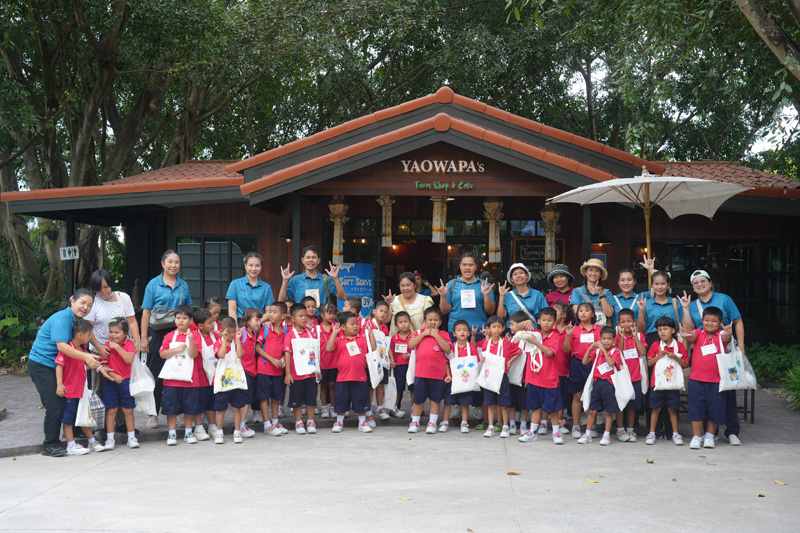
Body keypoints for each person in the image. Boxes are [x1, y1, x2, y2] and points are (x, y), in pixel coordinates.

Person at [27, 288, 104, 457]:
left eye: (90, 305)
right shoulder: (62, 318)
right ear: (72, 301)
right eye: (82, 303)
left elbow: (87, 333)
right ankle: (50, 445)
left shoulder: (78, 319)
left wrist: (97, 347)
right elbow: (62, 347)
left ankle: (73, 434)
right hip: (42, 364)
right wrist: (86, 356)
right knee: (55, 404)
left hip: (59, 365)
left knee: (69, 400)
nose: (85, 307)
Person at [679, 269, 745, 446]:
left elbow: (737, 321)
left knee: (727, 391)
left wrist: (742, 347)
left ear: (710, 282)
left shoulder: (724, 299)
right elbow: (689, 328)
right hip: (703, 351)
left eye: (703, 281)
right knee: (706, 396)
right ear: (693, 287)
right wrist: (685, 309)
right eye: (696, 282)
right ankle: (711, 432)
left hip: (725, 348)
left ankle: (731, 431)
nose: (700, 284)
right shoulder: (692, 304)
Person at [140, 250, 193, 429]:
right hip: (158, 334)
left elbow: (189, 310)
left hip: (179, 333)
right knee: (155, 376)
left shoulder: (183, 285)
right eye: (170, 262)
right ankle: (153, 414)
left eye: (176, 262)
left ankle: (178, 412)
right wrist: (143, 338)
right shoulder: (153, 284)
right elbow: (146, 311)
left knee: (179, 373)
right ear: (163, 263)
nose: (173, 265)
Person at [85, 269, 140, 416]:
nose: (103, 291)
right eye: (98, 288)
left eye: (106, 287)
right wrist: (99, 347)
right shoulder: (92, 303)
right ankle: (101, 426)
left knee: (123, 384)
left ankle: (122, 423)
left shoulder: (123, 298)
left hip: (122, 349)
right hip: (100, 351)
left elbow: (132, 321)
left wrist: (136, 342)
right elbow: (88, 329)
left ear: (111, 284)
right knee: (100, 388)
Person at [681, 307, 734, 450]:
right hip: (696, 379)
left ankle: (710, 436)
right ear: (702, 321)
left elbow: (726, 337)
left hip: (716, 381)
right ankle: (696, 437)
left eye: (714, 321)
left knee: (714, 409)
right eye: (707, 320)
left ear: (720, 322)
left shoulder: (721, 335)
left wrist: (729, 333)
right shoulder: (699, 332)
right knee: (696, 409)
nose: (710, 323)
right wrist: (686, 335)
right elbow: (691, 337)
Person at [55, 319, 106, 455]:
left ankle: (91, 441)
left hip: (82, 390)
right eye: (89, 335)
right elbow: (59, 366)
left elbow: (82, 367)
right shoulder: (67, 348)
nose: (90, 338)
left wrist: (96, 365)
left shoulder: (83, 349)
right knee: (68, 419)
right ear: (80, 335)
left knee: (85, 416)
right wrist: (60, 384)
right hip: (70, 390)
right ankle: (70, 445)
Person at [518, 307, 565, 445]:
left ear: (554, 322)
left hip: (549, 380)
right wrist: (528, 322)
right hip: (534, 378)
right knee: (535, 407)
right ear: (538, 321)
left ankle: (556, 432)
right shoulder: (535, 333)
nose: (546, 323)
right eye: (543, 320)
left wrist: (536, 343)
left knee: (553, 409)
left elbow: (550, 352)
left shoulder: (554, 336)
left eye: (549, 320)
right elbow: (516, 328)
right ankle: (532, 432)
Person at [326, 312, 377, 433]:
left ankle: (362, 422)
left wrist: (370, 333)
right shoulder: (338, 340)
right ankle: (339, 421)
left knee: (361, 400)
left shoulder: (362, 340)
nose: (355, 326)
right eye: (352, 324)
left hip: (360, 377)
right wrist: (334, 333)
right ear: (343, 327)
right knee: (341, 400)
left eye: (356, 324)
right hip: (343, 377)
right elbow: (329, 348)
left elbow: (373, 348)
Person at [159, 304, 200, 446]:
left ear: (190, 320)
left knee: (190, 407)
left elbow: (194, 354)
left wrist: (190, 340)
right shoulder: (169, 336)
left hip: (190, 379)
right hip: (171, 379)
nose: (181, 321)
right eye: (178, 318)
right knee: (171, 408)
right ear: (174, 319)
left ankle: (189, 432)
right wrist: (176, 349)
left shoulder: (195, 335)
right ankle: (172, 433)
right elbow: (163, 354)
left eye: (184, 318)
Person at [644, 316, 689, 446]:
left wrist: (674, 356)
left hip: (673, 385)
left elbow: (685, 363)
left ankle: (675, 433)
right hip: (657, 384)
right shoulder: (655, 345)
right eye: (659, 330)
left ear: (673, 331)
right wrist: (659, 355)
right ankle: (652, 432)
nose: (662, 332)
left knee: (673, 409)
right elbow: (649, 362)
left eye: (665, 329)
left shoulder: (678, 345)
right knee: (655, 409)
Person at [407, 307, 452, 434]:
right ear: (424, 321)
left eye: (436, 320)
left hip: (437, 375)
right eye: (430, 320)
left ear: (440, 322)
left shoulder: (443, 334)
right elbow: (410, 345)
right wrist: (423, 334)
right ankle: (415, 422)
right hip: (421, 373)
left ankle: (432, 422)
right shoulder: (418, 333)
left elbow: (447, 348)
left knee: (435, 399)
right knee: (418, 399)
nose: (433, 322)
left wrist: (436, 335)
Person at [578, 326, 624, 445]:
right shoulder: (597, 351)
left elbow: (611, 363)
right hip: (597, 383)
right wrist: (589, 349)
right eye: (603, 339)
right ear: (600, 339)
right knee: (592, 410)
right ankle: (587, 434)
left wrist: (604, 350)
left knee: (608, 412)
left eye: (609, 339)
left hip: (609, 384)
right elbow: (584, 361)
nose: (606, 341)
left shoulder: (616, 352)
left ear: (614, 341)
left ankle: (606, 435)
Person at [479, 315, 522, 439]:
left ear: (503, 328)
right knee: (490, 403)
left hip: (502, 376)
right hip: (489, 377)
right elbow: (484, 360)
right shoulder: (486, 344)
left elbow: (519, 351)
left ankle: (505, 426)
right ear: (488, 329)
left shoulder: (507, 344)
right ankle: (491, 427)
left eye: (499, 327)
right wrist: (482, 360)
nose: (496, 330)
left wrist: (510, 361)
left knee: (503, 403)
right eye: (493, 327)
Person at [563, 302, 602, 439]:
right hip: (577, 364)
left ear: (593, 314)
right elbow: (567, 349)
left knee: (594, 395)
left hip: (595, 364)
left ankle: (592, 426)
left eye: (587, 310)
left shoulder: (599, 330)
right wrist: (568, 335)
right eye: (580, 311)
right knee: (577, 396)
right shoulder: (574, 329)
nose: (583, 313)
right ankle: (576, 426)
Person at [437, 252, 496, 338]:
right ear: (459, 266)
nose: (467, 268)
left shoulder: (484, 285)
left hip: (479, 331)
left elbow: (490, 311)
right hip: (456, 331)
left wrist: (486, 295)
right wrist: (442, 296)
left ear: (476, 267)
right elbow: (444, 311)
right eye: (464, 265)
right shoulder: (451, 284)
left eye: (471, 265)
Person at [101, 317, 138, 450]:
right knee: (111, 410)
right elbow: (103, 366)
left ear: (125, 333)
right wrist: (113, 376)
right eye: (111, 332)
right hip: (110, 381)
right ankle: (110, 438)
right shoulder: (106, 345)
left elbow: (129, 359)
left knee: (128, 410)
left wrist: (116, 347)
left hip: (126, 381)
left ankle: (131, 437)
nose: (113, 335)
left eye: (117, 332)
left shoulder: (129, 344)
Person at [283, 303, 319, 434]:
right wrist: (288, 373)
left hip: (310, 373)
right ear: (292, 318)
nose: (304, 318)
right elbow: (287, 354)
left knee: (311, 399)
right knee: (297, 399)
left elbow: (315, 352)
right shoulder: (290, 335)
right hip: (296, 374)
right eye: (300, 316)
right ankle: (298, 422)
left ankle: (310, 421)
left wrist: (318, 370)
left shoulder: (310, 334)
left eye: (305, 316)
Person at [614, 309, 647, 443]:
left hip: (635, 377)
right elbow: (619, 352)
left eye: (629, 321)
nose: (626, 324)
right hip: (622, 378)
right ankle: (620, 429)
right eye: (623, 322)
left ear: (634, 322)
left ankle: (631, 429)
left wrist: (635, 337)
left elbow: (643, 352)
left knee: (632, 406)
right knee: (621, 405)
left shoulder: (639, 336)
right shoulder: (616, 337)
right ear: (618, 324)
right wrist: (621, 337)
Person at [255, 302, 288, 436]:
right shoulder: (265, 328)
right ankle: (267, 424)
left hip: (278, 370)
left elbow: (287, 349)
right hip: (264, 368)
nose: (271, 315)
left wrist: (283, 359)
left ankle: (275, 422)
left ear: (283, 316)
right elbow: (257, 347)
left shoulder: (286, 331)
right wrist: (272, 359)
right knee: (264, 397)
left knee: (276, 397)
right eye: (270, 312)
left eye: (275, 312)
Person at [278, 245, 346, 308]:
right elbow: (281, 301)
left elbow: (343, 297)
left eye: (314, 257)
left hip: (321, 319)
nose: (311, 260)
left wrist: (335, 278)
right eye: (308, 257)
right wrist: (285, 281)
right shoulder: (295, 280)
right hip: (301, 319)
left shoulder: (326, 279)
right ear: (303, 260)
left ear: (318, 260)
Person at [440, 319, 478, 433]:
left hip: (466, 380)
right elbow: (447, 362)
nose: (462, 332)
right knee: (448, 402)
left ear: (469, 333)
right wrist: (448, 375)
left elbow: (475, 363)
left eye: (465, 330)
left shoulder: (471, 347)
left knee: (464, 402)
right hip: (453, 379)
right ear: (454, 333)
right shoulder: (450, 347)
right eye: (459, 330)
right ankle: (445, 421)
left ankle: (464, 423)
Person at [213, 318, 246, 444]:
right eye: (229, 332)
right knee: (221, 409)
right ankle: (219, 432)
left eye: (234, 332)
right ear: (222, 331)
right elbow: (221, 355)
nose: (232, 335)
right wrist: (225, 340)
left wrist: (237, 339)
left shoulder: (237, 343)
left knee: (236, 408)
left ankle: (237, 431)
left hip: (236, 382)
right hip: (223, 383)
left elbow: (240, 354)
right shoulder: (218, 343)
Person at [193, 308, 220, 441]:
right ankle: (198, 427)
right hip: (200, 376)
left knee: (211, 403)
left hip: (214, 376)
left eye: (213, 322)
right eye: (209, 323)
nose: (213, 325)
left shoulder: (216, 336)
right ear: (200, 326)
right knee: (199, 403)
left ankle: (212, 426)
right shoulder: (196, 336)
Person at [226, 252, 275, 324]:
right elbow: (232, 310)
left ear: (261, 267)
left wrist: (256, 323)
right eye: (250, 265)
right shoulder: (235, 284)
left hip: (260, 324)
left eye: (257, 266)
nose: (254, 269)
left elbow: (269, 312)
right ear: (245, 266)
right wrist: (235, 328)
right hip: (241, 323)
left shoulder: (266, 287)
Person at [498, 263, 548, 328]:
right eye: (515, 274)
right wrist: (501, 296)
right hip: (512, 333)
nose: (518, 276)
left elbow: (546, 315)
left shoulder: (537, 295)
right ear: (512, 279)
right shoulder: (508, 295)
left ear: (527, 275)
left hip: (531, 332)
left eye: (521, 273)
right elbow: (501, 316)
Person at [237, 307, 262, 438]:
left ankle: (242, 424)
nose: (259, 322)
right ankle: (241, 426)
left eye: (259, 320)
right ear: (247, 321)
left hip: (252, 370)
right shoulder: (242, 333)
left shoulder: (254, 333)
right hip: (243, 370)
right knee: (244, 400)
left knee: (247, 399)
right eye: (256, 320)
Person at [570, 258, 613, 326]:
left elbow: (609, 313)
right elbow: (576, 313)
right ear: (585, 272)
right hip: (583, 330)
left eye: (597, 271)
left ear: (601, 275)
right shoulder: (577, 291)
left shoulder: (606, 292)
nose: (593, 273)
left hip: (602, 332)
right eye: (590, 270)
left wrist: (601, 295)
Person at [315, 302, 339, 419]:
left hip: (335, 363)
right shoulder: (317, 329)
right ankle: (324, 406)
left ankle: (333, 406)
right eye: (329, 313)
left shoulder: (337, 328)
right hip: (322, 363)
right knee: (323, 385)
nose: (331, 316)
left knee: (332, 384)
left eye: (333, 314)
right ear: (322, 315)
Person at [388, 311, 413, 418]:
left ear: (410, 323)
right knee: (398, 388)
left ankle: (415, 407)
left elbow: (418, 350)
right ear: (396, 325)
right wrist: (391, 360)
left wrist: (410, 356)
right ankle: (395, 408)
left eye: (406, 322)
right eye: (400, 322)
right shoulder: (394, 338)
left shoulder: (414, 336)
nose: (403, 324)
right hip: (399, 366)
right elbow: (391, 352)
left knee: (413, 387)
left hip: (412, 366)